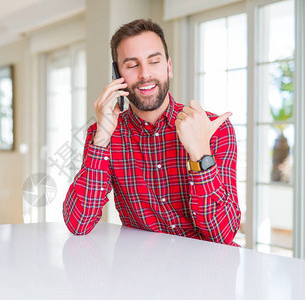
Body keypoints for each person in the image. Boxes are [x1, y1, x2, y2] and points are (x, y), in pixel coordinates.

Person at [63, 19, 240, 246]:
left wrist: (199, 154)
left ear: (169, 67)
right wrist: (102, 137)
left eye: (154, 61)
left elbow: (223, 235)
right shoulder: (104, 134)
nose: (145, 74)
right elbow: (78, 224)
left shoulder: (213, 128)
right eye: (132, 65)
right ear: (118, 75)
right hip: (140, 273)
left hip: (206, 273)